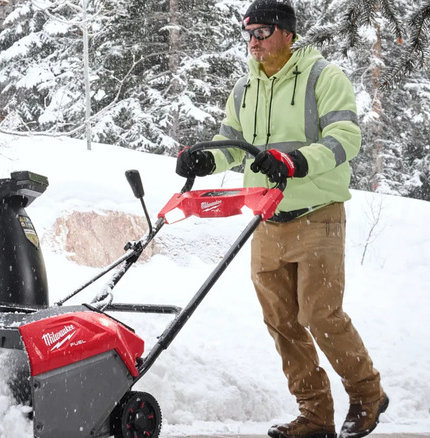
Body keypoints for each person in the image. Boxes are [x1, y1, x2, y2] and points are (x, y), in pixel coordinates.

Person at [175, 1, 388, 438]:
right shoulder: (244, 89)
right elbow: (232, 144)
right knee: (282, 322)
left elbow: (346, 138)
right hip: (266, 218)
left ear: (287, 33)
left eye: (263, 32)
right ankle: (314, 415)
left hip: (317, 215)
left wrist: (295, 162)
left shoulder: (322, 78)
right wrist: (204, 159)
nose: (254, 41)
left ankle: (367, 394)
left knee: (320, 314)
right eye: (248, 33)